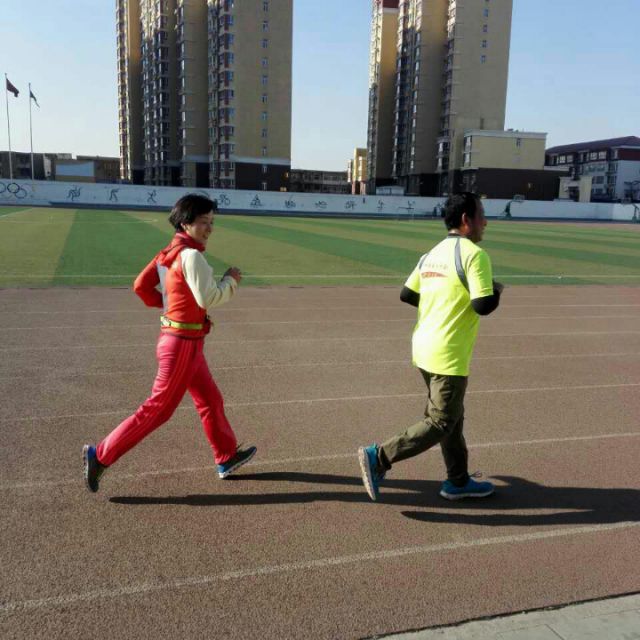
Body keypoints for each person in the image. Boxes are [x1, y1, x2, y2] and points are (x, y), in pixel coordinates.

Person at [83, 194, 256, 493]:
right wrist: (231, 280)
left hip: (184, 341)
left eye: (212, 222)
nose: (210, 228)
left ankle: (226, 456)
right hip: (182, 346)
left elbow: (141, 287)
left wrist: (172, 307)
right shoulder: (192, 256)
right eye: (204, 222)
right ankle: (100, 455)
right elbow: (209, 297)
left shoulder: (170, 251)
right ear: (186, 223)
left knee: (210, 400)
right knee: (158, 410)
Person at [358, 192, 503, 501]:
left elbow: (407, 294)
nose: (485, 222)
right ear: (466, 219)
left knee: (453, 417)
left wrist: (441, 306)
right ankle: (379, 457)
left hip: (424, 346)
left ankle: (458, 481)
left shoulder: (432, 253)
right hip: (448, 353)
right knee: (441, 421)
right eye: (481, 215)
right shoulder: (475, 255)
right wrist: (497, 291)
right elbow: (482, 305)